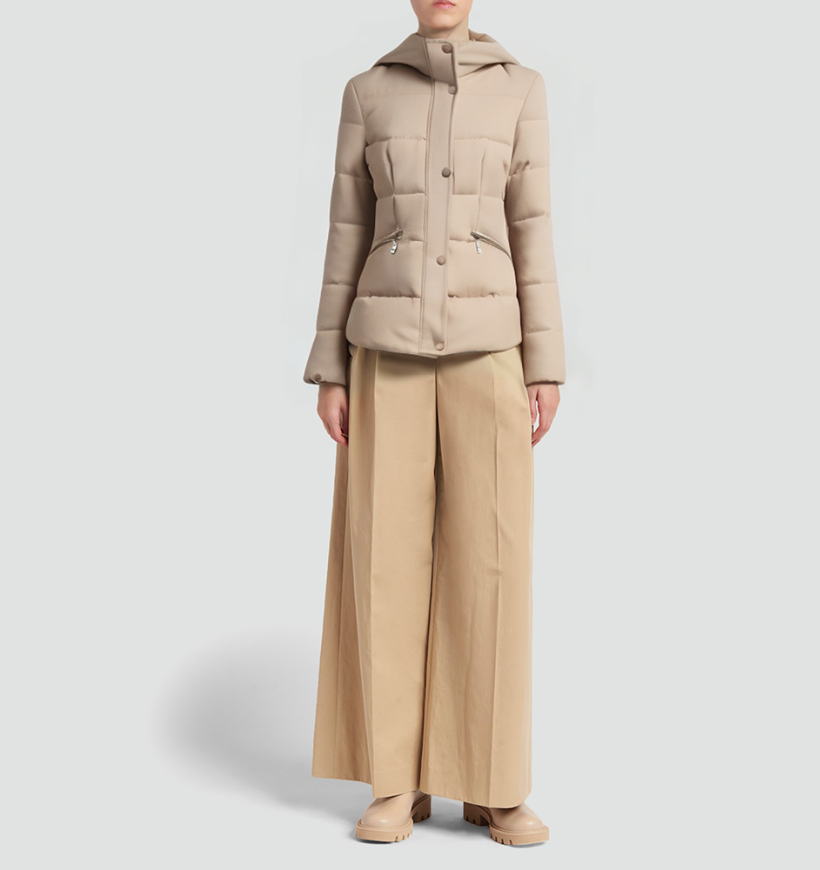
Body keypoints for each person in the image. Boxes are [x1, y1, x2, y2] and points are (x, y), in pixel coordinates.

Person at [302, 0, 565, 846]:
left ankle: (492, 785)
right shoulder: (367, 91)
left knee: (493, 566)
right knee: (384, 564)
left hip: (492, 355)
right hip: (385, 356)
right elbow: (347, 231)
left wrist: (545, 361)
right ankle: (396, 782)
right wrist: (330, 364)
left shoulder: (521, 89)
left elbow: (533, 228)